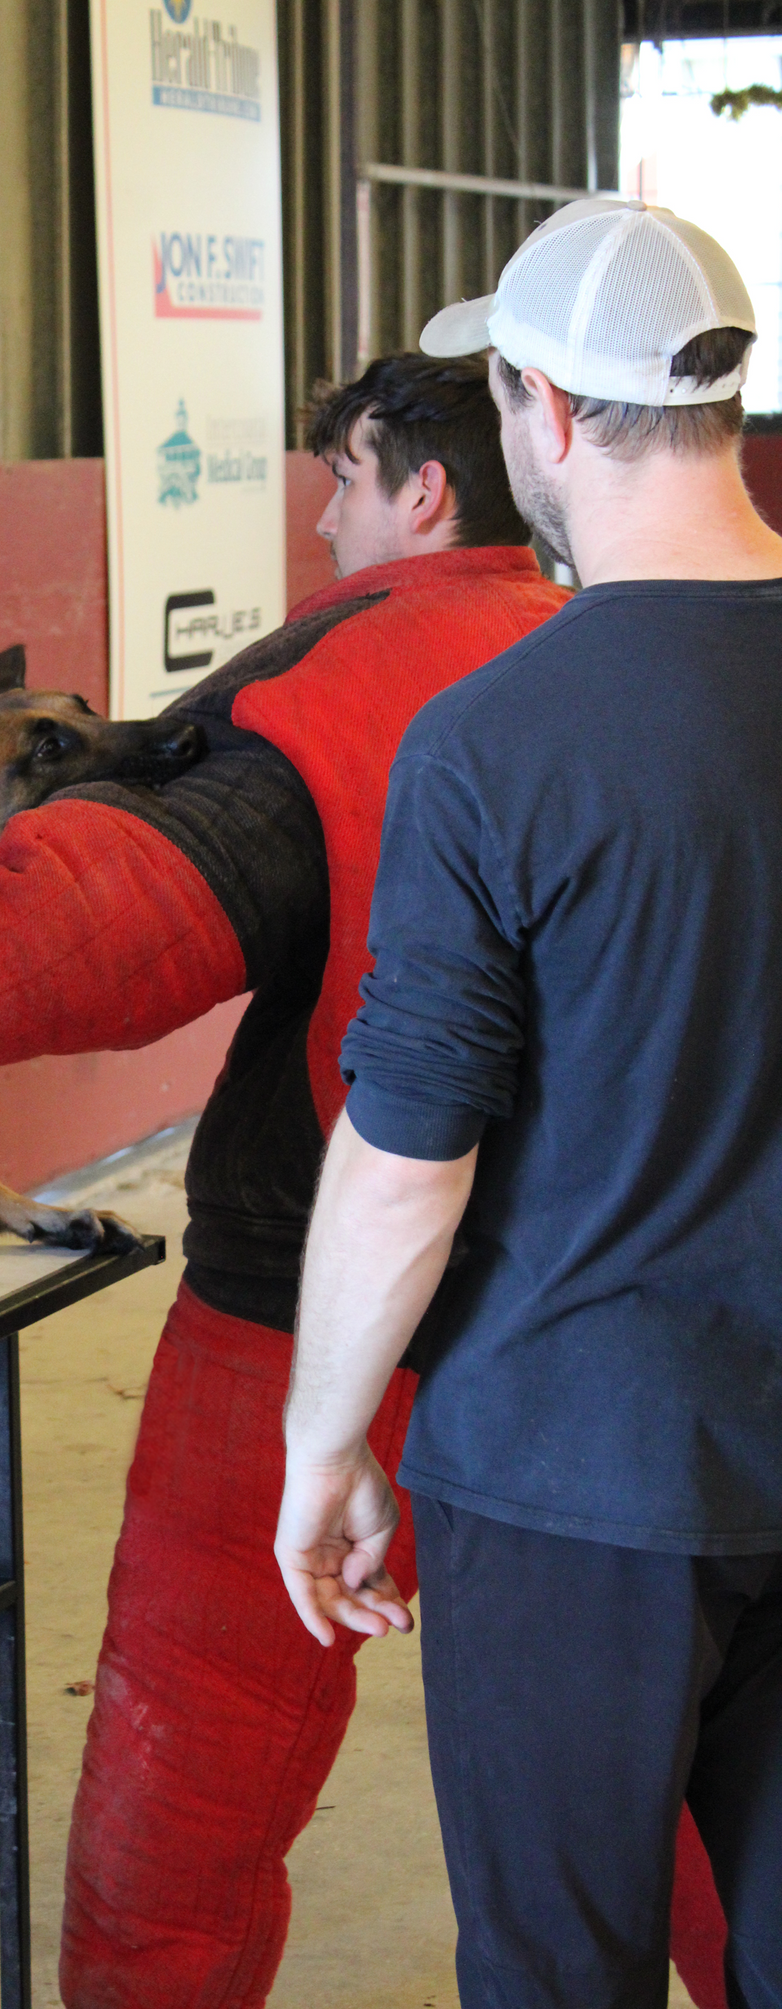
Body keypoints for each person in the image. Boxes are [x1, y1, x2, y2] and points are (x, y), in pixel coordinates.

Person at [0, 354, 694, 1996]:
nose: (323, 518)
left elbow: (136, 918)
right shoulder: (613, 652)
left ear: (422, 489)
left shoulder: (355, 684)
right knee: (691, 1793)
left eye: (341, 481)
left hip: (309, 1310)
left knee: (183, 1803)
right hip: (621, 1342)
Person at [275, 199, 781, 2008]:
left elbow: (408, 1166)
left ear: (543, 413)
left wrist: (322, 1448)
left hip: (575, 1478)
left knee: (560, 1972)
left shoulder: (498, 742)